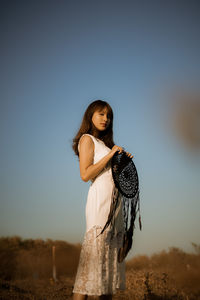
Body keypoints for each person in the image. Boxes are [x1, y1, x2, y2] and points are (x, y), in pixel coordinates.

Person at [72, 100, 134, 300]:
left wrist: (123, 162)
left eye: (109, 116)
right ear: (90, 115)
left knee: (106, 276)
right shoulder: (87, 139)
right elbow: (85, 174)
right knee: (90, 268)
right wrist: (111, 155)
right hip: (99, 207)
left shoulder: (106, 145)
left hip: (114, 208)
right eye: (101, 114)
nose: (106, 119)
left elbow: (115, 178)